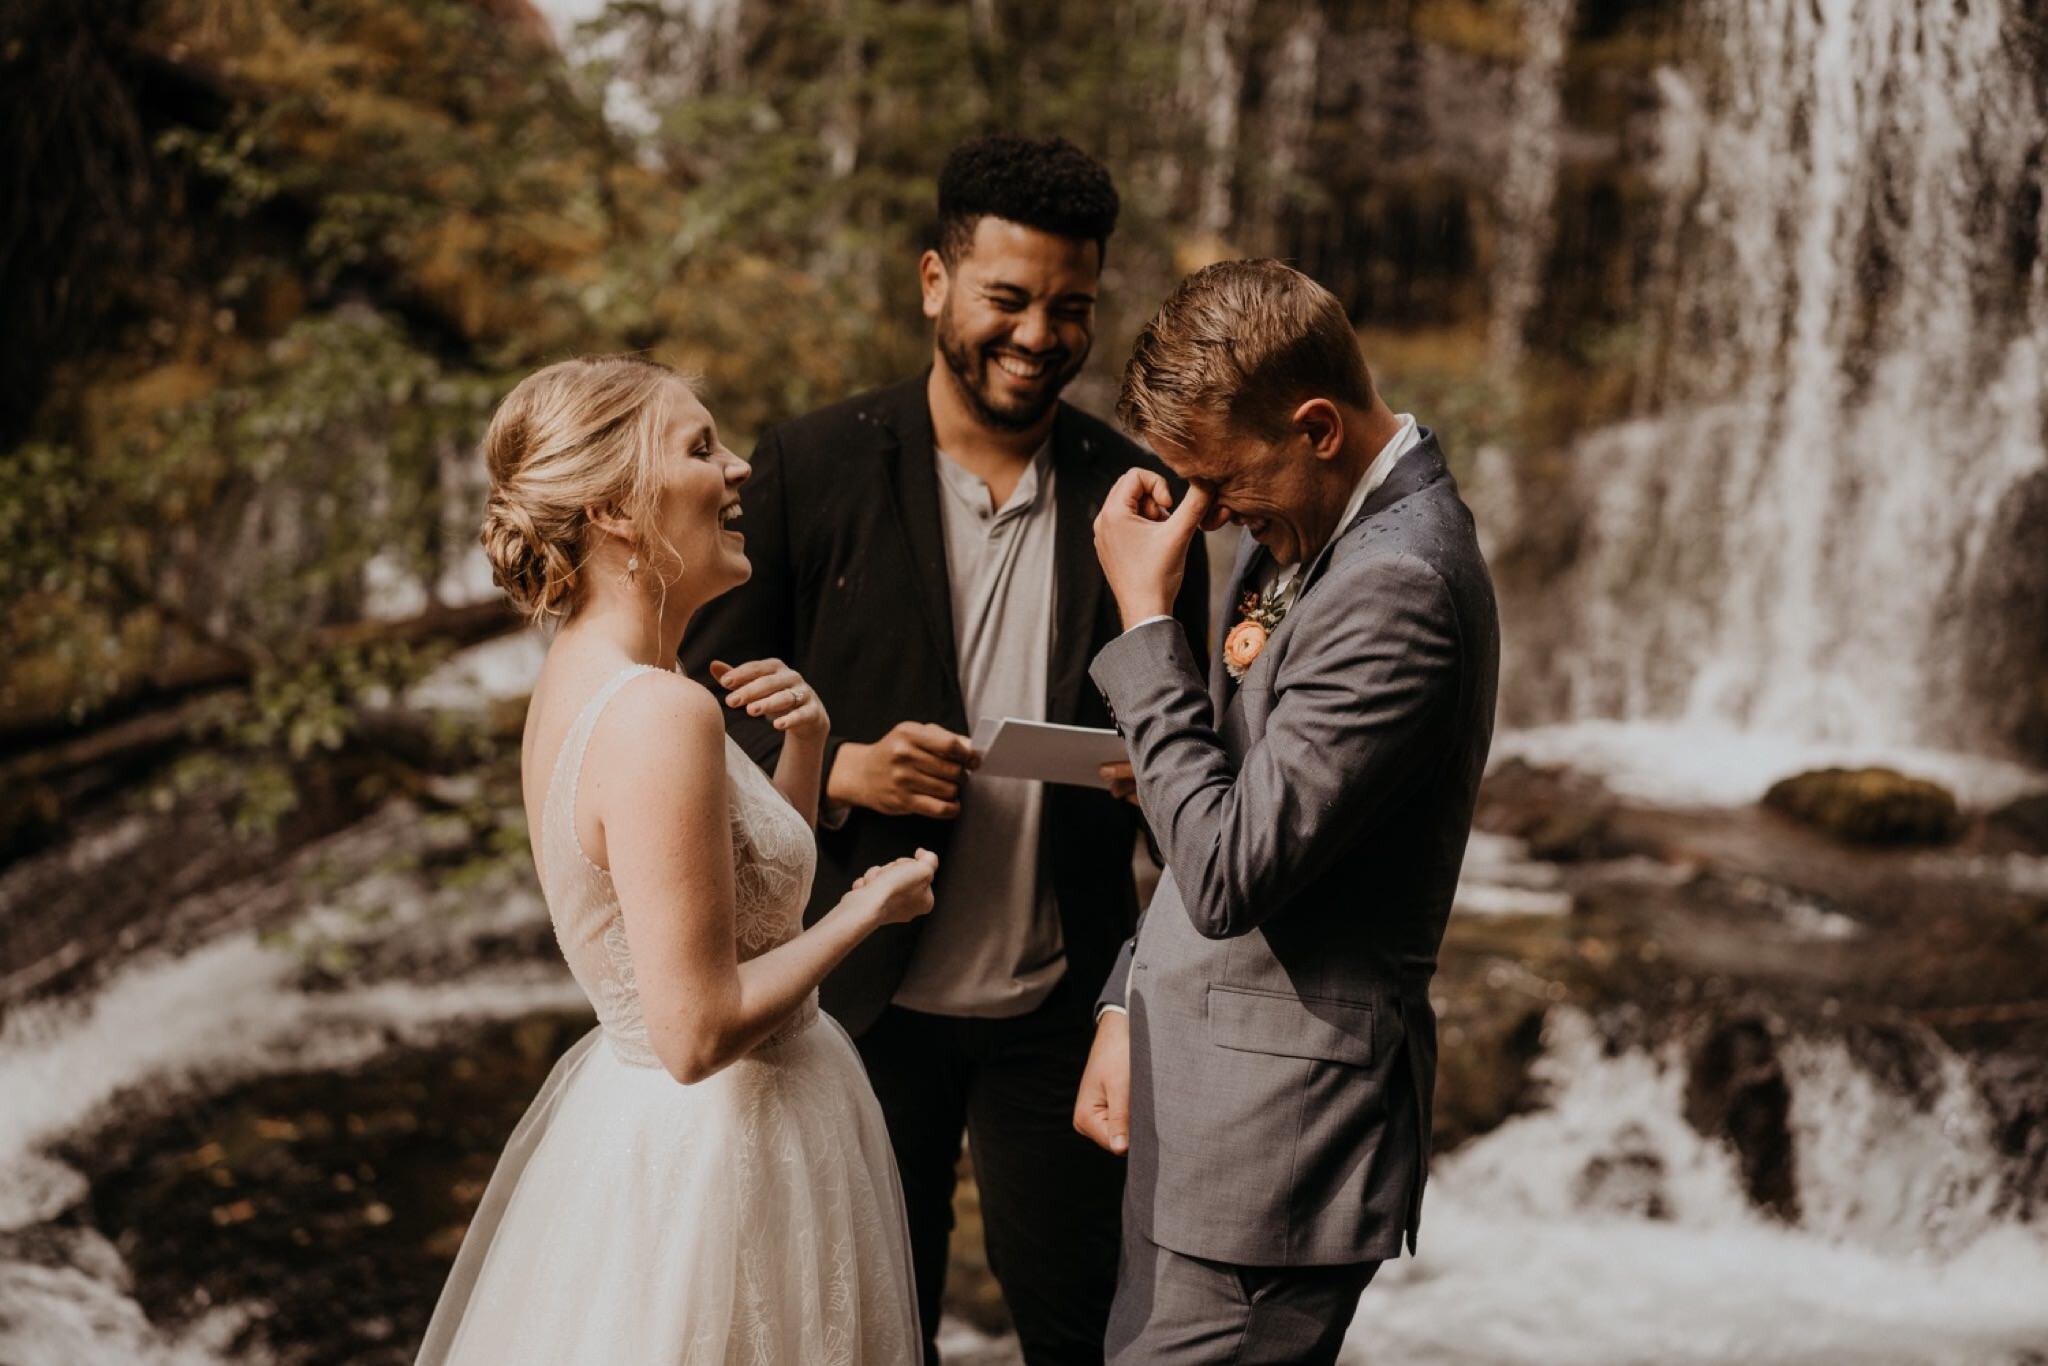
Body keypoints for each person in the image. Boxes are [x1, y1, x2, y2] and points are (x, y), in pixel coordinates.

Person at [679, 134, 1208, 1364]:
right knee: (867, 1331)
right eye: (1007, 300)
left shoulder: (1137, 490)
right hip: (858, 1007)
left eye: (1069, 309)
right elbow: (691, 704)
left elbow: (1194, 767)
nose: (1037, 337)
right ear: (933, 282)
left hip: (1062, 1004)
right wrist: (836, 768)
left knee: (1084, 1333)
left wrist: (1159, 781)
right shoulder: (809, 465)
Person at [417, 355, 936, 1364]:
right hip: (721, 1156)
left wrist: (807, 748)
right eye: (701, 447)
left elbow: (742, 913)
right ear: (615, 508)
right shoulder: (660, 713)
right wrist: (865, 910)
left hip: (664, 1136)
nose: (739, 468)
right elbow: (696, 1030)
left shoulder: (591, 680)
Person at [1074, 260, 1500, 1364]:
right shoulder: (1300, 530)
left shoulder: (1395, 583)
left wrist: (1139, 617)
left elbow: (1221, 872)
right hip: (1197, 1088)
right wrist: (1129, 1000)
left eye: (1220, 481)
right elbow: (1217, 787)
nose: (1206, 514)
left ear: (1314, 426)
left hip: (1271, 1151)